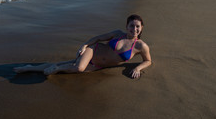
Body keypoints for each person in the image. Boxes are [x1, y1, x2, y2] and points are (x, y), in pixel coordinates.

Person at [14, 14, 152, 79]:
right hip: (93, 51)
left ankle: (30, 68)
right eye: (131, 26)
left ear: (141, 28)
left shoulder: (140, 45)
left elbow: (148, 61)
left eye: (137, 26)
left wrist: (138, 68)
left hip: (98, 66)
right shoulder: (117, 33)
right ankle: (55, 69)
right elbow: (98, 38)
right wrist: (85, 45)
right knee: (78, 68)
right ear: (126, 26)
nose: (134, 29)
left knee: (68, 65)